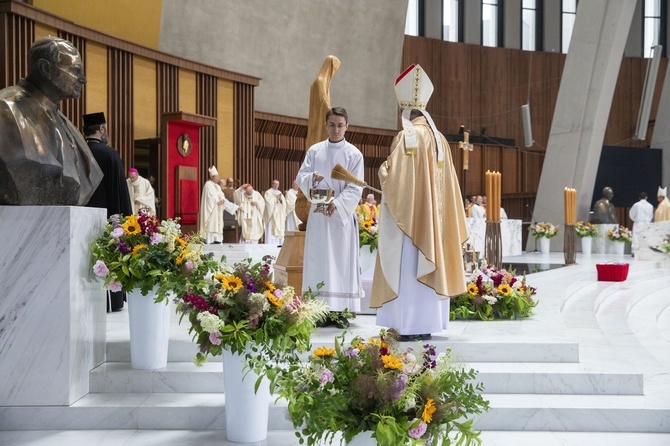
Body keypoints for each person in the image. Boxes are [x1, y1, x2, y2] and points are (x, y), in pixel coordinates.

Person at [371, 64, 468, 341]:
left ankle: (409, 325)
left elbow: (397, 179)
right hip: (434, 224)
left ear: (405, 111)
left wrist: (383, 171)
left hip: (411, 224)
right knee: (429, 261)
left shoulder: (408, 136)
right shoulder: (440, 139)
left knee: (409, 266)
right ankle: (426, 324)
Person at [0, 36, 102, 205]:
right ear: (45, 68)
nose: (83, 79)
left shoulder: (63, 121)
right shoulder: (7, 110)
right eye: (75, 71)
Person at [296, 107, 364, 328]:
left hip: (339, 220)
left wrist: (338, 204)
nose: (336, 129)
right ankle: (318, 310)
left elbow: (355, 188)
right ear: (326, 125)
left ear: (347, 126)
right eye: (332, 125)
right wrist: (311, 179)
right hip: (318, 217)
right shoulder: (315, 151)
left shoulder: (354, 154)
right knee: (319, 262)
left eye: (340, 125)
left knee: (340, 263)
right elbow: (301, 176)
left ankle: (340, 312)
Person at [83, 111, 132, 313]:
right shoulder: (109, 154)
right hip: (107, 219)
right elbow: (120, 192)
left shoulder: (79, 152)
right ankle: (112, 301)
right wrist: (126, 222)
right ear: (102, 129)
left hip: (81, 219)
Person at [199, 166, 237, 244]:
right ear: (212, 177)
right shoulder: (208, 185)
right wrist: (217, 201)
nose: (218, 178)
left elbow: (221, 195)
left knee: (217, 225)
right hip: (212, 209)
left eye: (218, 177)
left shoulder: (217, 186)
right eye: (217, 177)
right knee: (212, 224)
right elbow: (210, 196)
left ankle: (217, 239)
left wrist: (223, 200)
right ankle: (210, 239)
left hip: (218, 209)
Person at [264, 179, 287, 245]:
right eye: (275, 184)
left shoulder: (280, 193)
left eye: (277, 184)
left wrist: (281, 200)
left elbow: (284, 204)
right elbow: (268, 203)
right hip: (272, 215)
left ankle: (280, 243)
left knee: (279, 228)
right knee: (271, 228)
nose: (276, 185)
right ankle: (270, 243)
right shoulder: (268, 192)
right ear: (272, 184)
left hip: (279, 214)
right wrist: (276, 199)